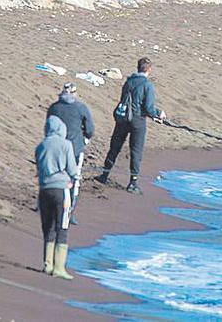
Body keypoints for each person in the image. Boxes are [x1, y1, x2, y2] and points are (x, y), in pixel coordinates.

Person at [95, 57, 165, 195]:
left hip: (123, 118)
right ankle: (132, 183)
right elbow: (149, 108)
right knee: (136, 151)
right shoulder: (147, 85)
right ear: (149, 70)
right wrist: (159, 113)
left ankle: (104, 174)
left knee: (115, 146)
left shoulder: (128, 82)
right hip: (137, 121)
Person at [35, 115, 80, 280]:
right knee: (62, 226)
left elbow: (39, 169)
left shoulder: (40, 146)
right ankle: (59, 267)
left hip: (44, 191)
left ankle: (48, 265)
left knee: (48, 227)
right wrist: (72, 179)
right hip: (61, 191)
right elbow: (73, 170)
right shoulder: (66, 145)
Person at [46, 82, 94, 224]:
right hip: (74, 149)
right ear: (75, 94)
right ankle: (69, 212)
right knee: (73, 181)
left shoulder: (54, 108)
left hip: (55, 148)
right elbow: (90, 130)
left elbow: (48, 126)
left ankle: (51, 207)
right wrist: (85, 138)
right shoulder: (81, 108)